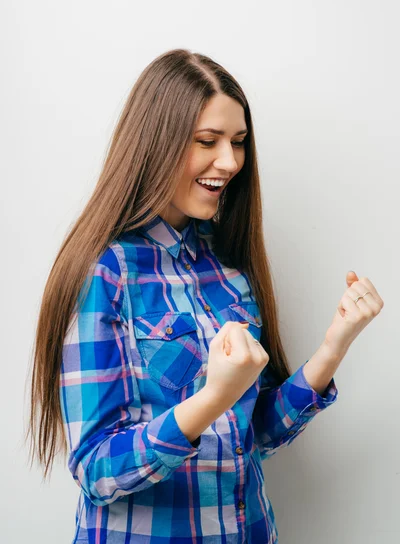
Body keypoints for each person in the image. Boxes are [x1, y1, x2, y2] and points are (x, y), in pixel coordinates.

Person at [26, 48, 384, 543]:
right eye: (207, 141)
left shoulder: (227, 265)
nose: (230, 161)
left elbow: (249, 436)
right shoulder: (105, 273)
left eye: (238, 142)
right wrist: (213, 396)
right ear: (155, 144)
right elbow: (98, 472)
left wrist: (334, 347)